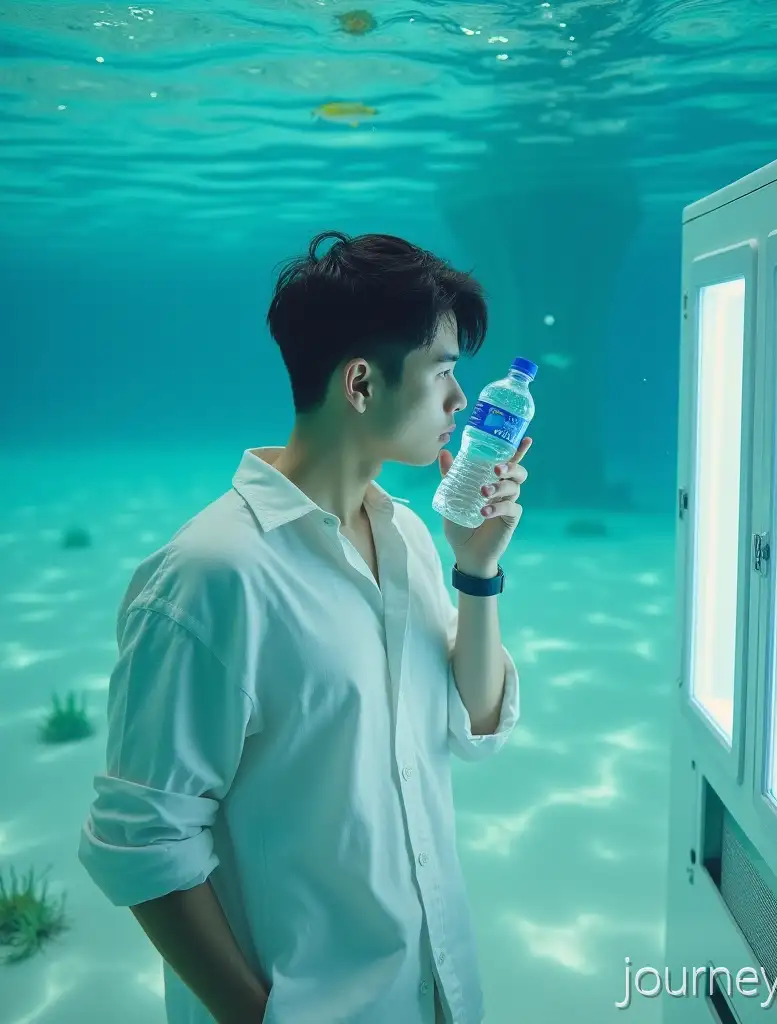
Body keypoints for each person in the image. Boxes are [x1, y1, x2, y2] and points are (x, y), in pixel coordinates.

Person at [78, 230, 531, 1024]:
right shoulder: (212, 576)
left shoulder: (410, 536)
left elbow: (476, 725)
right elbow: (140, 845)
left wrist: (479, 570)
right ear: (361, 383)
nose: (463, 402)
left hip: (434, 995)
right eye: (444, 372)